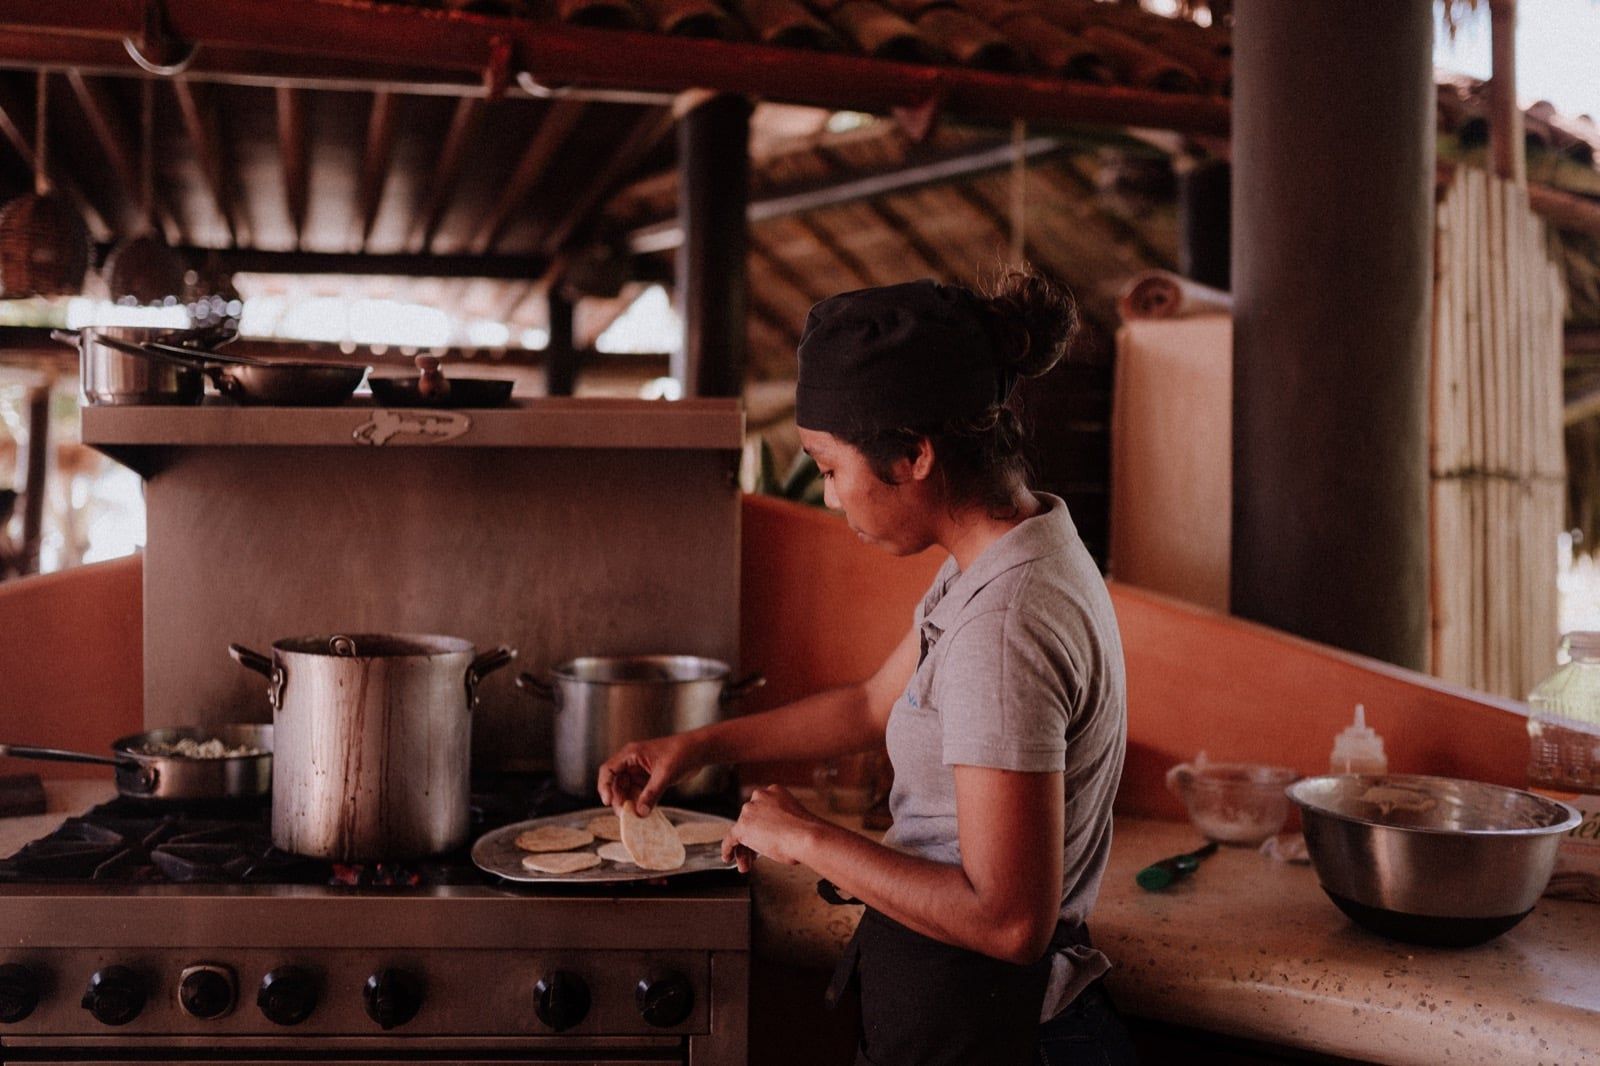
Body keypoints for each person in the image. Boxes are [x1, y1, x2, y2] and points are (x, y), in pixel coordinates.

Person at [598, 268, 1136, 1065]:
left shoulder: (1006, 623)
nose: (828, 496)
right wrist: (696, 747)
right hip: (951, 1008)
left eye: (827, 466)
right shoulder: (1003, 556)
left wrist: (808, 838)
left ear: (913, 454)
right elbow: (869, 704)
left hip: (995, 1032)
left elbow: (1009, 923)